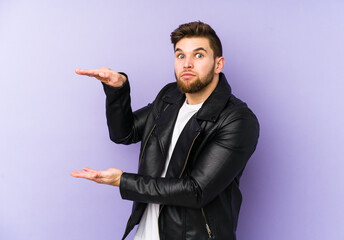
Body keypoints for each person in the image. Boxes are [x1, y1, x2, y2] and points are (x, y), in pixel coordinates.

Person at [71, 21, 259, 240]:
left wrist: (122, 181)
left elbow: (195, 191)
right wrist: (117, 91)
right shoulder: (170, 97)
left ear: (219, 64)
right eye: (180, 55)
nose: (187, 64)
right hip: (146, 232)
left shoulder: (237, 120)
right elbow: (125, 133)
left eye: (198, 55)